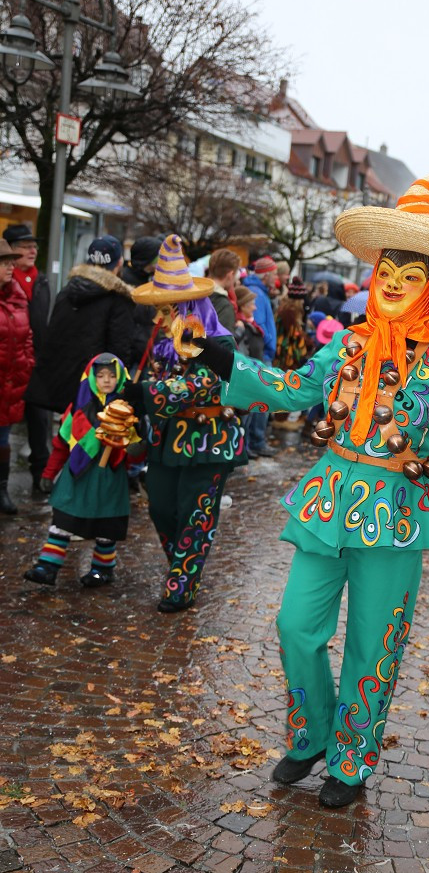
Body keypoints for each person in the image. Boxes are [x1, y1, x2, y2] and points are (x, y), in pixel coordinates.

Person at [197, 174, 429, 808]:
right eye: (387, 269)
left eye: (410, 273)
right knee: (296, 627)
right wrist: (229, 363)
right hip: (328, 502)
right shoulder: (346, 345)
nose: (395, 282)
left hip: (396, 514)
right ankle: (312, 733)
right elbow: (293, 390)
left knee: (375, 642)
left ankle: (352, 758)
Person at [122, 235, 247, 613]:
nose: (162, 317)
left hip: (207, 442)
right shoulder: (163, 343)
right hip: (165, 441)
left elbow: (199, 383)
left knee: (196, 515)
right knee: (161, 508)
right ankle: (182, 567)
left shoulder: (219, 344)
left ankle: (182, 584)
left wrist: (144, 392)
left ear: (189, 306)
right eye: (160, 309)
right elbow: (156, 379)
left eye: (169, 308)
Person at [24, 353, 136, 587]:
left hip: (109, 477)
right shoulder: (79, 408)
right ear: (92, 377)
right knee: (64, 520)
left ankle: (102, 569)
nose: (106, 380)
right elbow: (62, 443)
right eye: (101, 375)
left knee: (106, 526)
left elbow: (138, 448)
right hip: (78, 474)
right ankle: (47, 566)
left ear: (120, 378)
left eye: (112, 376)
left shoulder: (129, 411)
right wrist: (48, 473)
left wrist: (131, 441)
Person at [25, 235, 135, 415]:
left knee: (68, 435)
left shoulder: (68, 289)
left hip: (62, 382)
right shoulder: (118, 299)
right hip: (94, 385)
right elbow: (119, 348)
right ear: (119, 262)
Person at [3, 223, 52, 494]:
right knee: (4, 426)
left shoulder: (40, 280)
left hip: (36, 363)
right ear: (10, 251)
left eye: (33, 245)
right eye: (25, 246)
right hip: (10, 363)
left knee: (40, 421)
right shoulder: (7, 283)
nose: (32, 250)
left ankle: (40, 475)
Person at [0, 239, 34, 514]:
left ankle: (2, 490)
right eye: (5, 262)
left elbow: (27, 337)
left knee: (3, 441)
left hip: (11, 384)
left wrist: (26, 363)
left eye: (12, 261)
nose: (11, 266)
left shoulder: (17, 295)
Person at [241, 256, 278, 458]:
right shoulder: (256, 293)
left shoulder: (262, 292)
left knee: (261, 402)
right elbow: (258, 325)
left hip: (262, 353)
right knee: (260, 402)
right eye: (273, 274)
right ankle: (254, 443)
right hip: (260, 355)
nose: (276, 279)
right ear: (265, 275)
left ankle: (254, 442)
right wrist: (269, 341)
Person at [121, 235, 162, 371]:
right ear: (146, 260)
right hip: (133, 356)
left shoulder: (146, 279)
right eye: (158, 259)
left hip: (144, 353)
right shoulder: (126, 283)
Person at [208, 248, 240, 332]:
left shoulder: (195, 295)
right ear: (231, 274)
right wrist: (239, 331)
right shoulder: (224, 305)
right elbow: (225, 343)